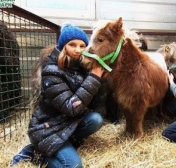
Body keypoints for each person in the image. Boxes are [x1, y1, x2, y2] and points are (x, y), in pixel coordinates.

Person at [11, 24, 108, 167]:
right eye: (72, 45)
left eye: (82, 46)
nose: (78, 50)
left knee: (95, 119)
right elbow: (71, 108)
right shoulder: (52, 70)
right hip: (47, 128)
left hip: (67, 122)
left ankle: (68, 142)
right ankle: (36, 153)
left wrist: (101, 80)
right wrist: (93, 78)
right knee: (73, 166)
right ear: (63, 46)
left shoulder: (80, 67)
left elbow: (89, 101)